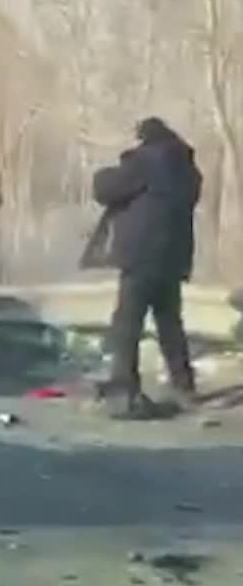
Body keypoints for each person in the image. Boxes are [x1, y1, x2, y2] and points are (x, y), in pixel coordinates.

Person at [90, 117, 203, 419]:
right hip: (173, 258)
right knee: (169, 324)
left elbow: (106, 189)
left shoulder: (145, 162)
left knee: (127, 324)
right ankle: (183, 384)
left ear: (146, 138)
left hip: (141, 255)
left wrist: (111, 167)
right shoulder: (188, 170)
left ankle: (124, 387)